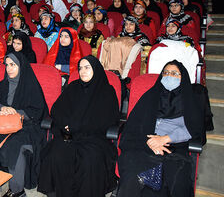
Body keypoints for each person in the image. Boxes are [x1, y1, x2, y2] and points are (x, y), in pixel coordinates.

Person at [117, 61, 206, 197]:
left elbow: (194, 128)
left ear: (183, 77)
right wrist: (150, 142)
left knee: (177, 179)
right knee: (132, 176)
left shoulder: (190, 100)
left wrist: (165, 139)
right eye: (166, 73)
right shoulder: (150, 96)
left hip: (173, 147)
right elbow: (134, 124)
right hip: (143, 144)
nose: (169, 76)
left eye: (175, 73)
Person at [38, 56, 119, 197]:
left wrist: (77, 126)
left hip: (93, 137)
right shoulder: (73, 87)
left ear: (96, 69)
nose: (82, 71)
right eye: (80, 68)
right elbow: (57, 110)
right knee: (56, 154)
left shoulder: (107, 91)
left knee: (89, 161)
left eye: (87, 67)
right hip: (68, 134)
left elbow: (107, 120)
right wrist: (66, 125)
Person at [0, 52, 48, 197]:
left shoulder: (31, 86)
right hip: (5, 124)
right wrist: (2, 108)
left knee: (15, 146)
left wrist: (15, 112)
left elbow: (37, 111)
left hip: (26, 126)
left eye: (13, 65)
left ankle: (17, 190)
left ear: (21, 66)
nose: (9, 69)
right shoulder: (4, 84)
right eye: (7, 65)